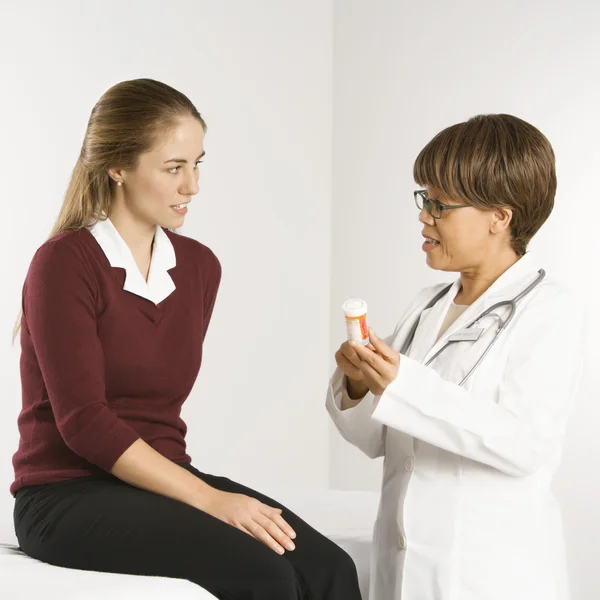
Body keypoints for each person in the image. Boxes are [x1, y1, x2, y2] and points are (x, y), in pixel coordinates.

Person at [11, 78, 361, 600]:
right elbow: (84, 422)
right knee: (261, 574)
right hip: (64, 495)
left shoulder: (199, 268)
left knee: (331, 568)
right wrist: (212, 501)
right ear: (118, 167)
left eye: (198, 164)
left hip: (159, 480)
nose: (192, 186)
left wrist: (205, 495)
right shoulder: (65, 262)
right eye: (174, 168)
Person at [327, 114, 586, 600]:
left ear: (499, 217)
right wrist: (360, 386)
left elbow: (526, 443)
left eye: (440, 204)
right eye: (423, 199)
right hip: (403, 568)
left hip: (489, 575)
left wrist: (403, 385)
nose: (424, 215)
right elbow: (377, 440)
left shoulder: (550, 309)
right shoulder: (427, 304)